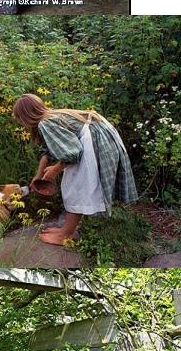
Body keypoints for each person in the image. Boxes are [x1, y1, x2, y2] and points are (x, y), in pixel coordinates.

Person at [11, 90, 138, 245]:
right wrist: (38, 175)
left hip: (92, 144)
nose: (22, 124)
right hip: (101, 137)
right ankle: (67, 229)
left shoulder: (46, 124)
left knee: (75, 188)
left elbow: (72, 153)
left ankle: (66, 234)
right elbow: (48, 150)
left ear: (26, 117)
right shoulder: (51, 116)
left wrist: (54, 171)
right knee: (77, 186)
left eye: (20, 120)